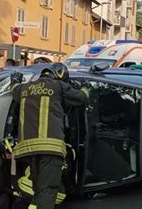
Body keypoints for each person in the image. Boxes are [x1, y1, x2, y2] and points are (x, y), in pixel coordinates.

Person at [12, 63, 88, 209]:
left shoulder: (24, 88)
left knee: (39, 188)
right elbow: (81, 98)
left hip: (27, 150)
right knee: (48, 190)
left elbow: (14, 89)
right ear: (60, 77)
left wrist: (15, 80)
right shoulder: (58, 86)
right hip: (50, 149)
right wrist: (85, 87)